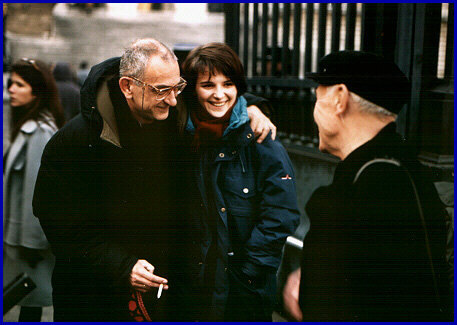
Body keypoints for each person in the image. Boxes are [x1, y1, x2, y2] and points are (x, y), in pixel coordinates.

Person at [32, 38, 276, 321]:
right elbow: (59, 222)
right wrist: (122, 266)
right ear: (127, 87)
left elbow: (216, 97)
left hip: (163, 294)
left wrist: (253, 108)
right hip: (93, 297)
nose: (173, 99)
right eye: (162, 90)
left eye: (178, 88)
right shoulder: (73, 142)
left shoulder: (173, 112)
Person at [282, 51, 451, 321]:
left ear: (339, 98)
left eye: (317, 98)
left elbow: (321, 305)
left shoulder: (353, 193)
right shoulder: (407, 170)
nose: (314, 112)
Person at [177, 42, 300, 321]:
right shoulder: (183, 137)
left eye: (228, 84)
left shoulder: (259, 140)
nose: (219, 94)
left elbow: (282, 213)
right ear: (192, 90)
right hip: (193, 288)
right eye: (208, 85)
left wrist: (249, 270)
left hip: (243, 292)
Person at [4, 58, 64, 321]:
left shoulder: (40, 130)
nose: (11, 90)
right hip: (17, 237)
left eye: (19, 84)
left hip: (27, 243)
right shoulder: (28, 125)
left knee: (27, 302)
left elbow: (35, 192)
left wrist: (32, 244)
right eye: (11, 84)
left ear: (37, 90)